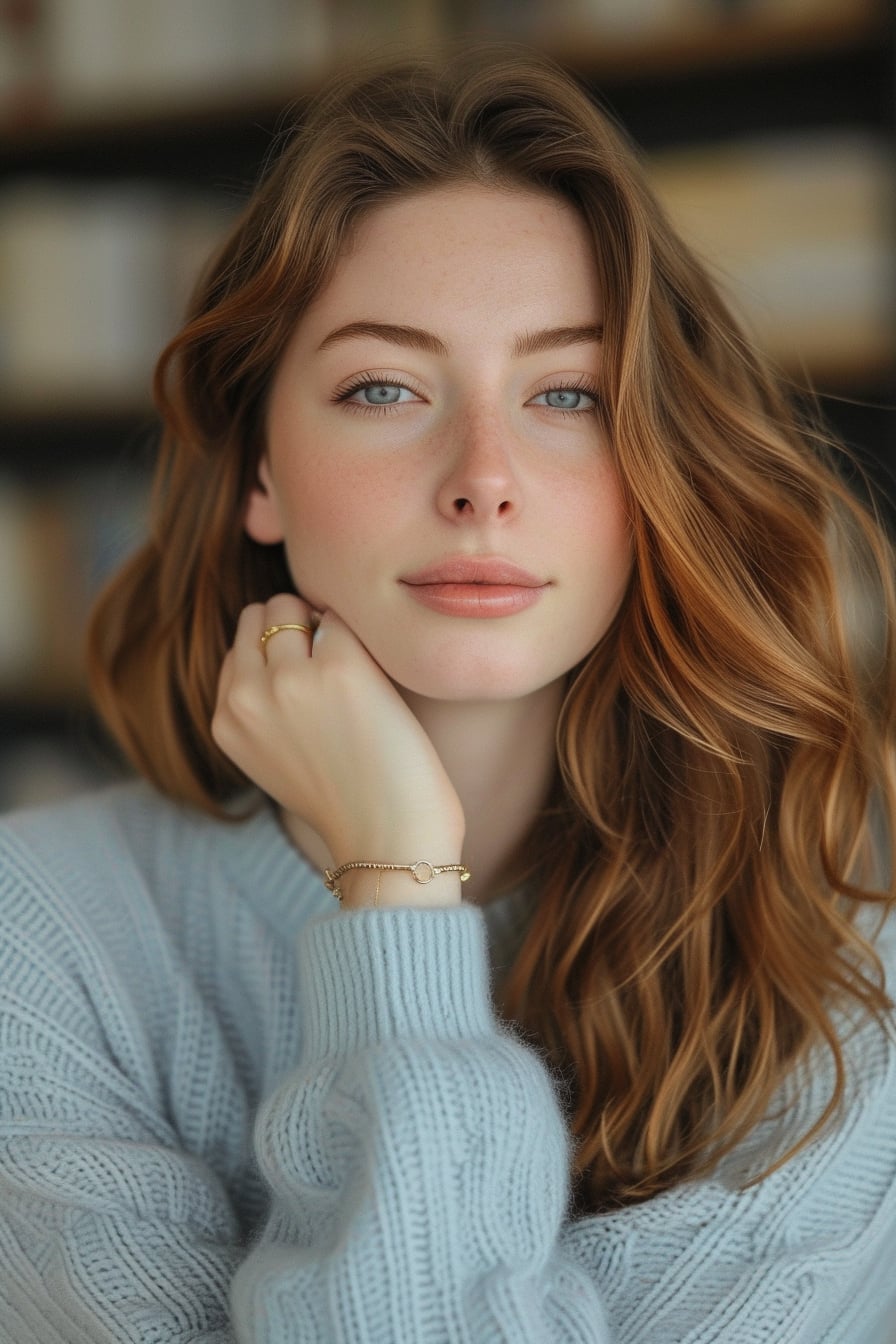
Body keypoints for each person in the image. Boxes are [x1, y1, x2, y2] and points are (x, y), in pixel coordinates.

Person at [1, 41, 895, 1344]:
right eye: (385, 387)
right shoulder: (39, 939)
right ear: (261, 469)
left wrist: (391, 899)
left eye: (568, 392)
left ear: (660, 470)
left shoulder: (837, 989)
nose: (484, 476)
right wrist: (399, 893)